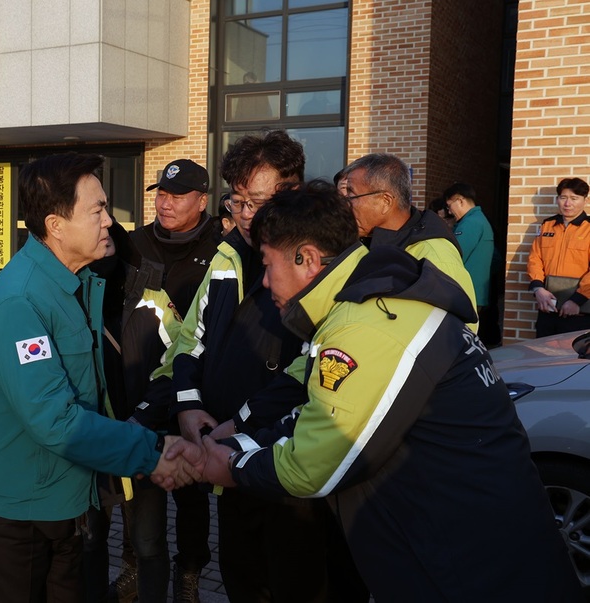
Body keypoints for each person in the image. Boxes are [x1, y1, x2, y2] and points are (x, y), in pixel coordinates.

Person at [179, 180, 583, 602]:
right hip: (477, 555)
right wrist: (240, 437)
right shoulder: (373, 302)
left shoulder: (365, 327)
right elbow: (324, 411)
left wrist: (230, 465)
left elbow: (313, 467)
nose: (263, 282)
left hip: (471, 573)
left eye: (267, 264)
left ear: (307, 259)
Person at [0, 152, 201, 603]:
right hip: (15, 520)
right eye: (98, 210)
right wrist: (153, 452)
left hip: (67, 505)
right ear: (55, 224)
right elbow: (55, 419)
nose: (110, 221)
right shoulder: (19, 302)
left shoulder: (74, 285)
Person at [170, 130, 352, 602]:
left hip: (290, 470)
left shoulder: (321, 267)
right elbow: (191, 337)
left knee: (297, 580)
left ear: (291, 194)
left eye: (258, 203)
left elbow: (312, 380)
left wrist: (241, 430)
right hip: (230, 457)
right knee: (241, 575)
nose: (247, 218)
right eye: (238, 203)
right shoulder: (228, 254)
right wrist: (189, 404)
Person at [121, 158, 222, 602]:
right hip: (137, 387)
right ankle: (133, 566)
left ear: (202, 201)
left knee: (192, 494)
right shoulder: (133, 243)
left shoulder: (224, 245)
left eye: (177, 196)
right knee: (137, 488)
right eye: (160, 193)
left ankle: (190, 572)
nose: (165, 202)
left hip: (191, 392)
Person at [340, 153, 478, 328]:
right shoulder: (367, 243)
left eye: (351, 196)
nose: (344, 205)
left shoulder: (435, 257)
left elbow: (460, 334)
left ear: (385, 201)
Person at [527, 177, 590, 337]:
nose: (568, 203)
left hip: (580, 312)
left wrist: (577, 300)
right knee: (543, 354)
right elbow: (535, 258)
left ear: (585, 200)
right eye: (563, 197)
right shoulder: (547, 225)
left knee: (573, 358)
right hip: (548, 307)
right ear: (558, 199)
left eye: (574, 198)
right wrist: (538, 289)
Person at [444, 183, 501, 345]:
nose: (449, 211)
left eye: (450, 206)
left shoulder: (471, 223)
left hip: (467, 293)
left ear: (460, 201)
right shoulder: (477, 220)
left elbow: (453, 256)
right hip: (473, 293)